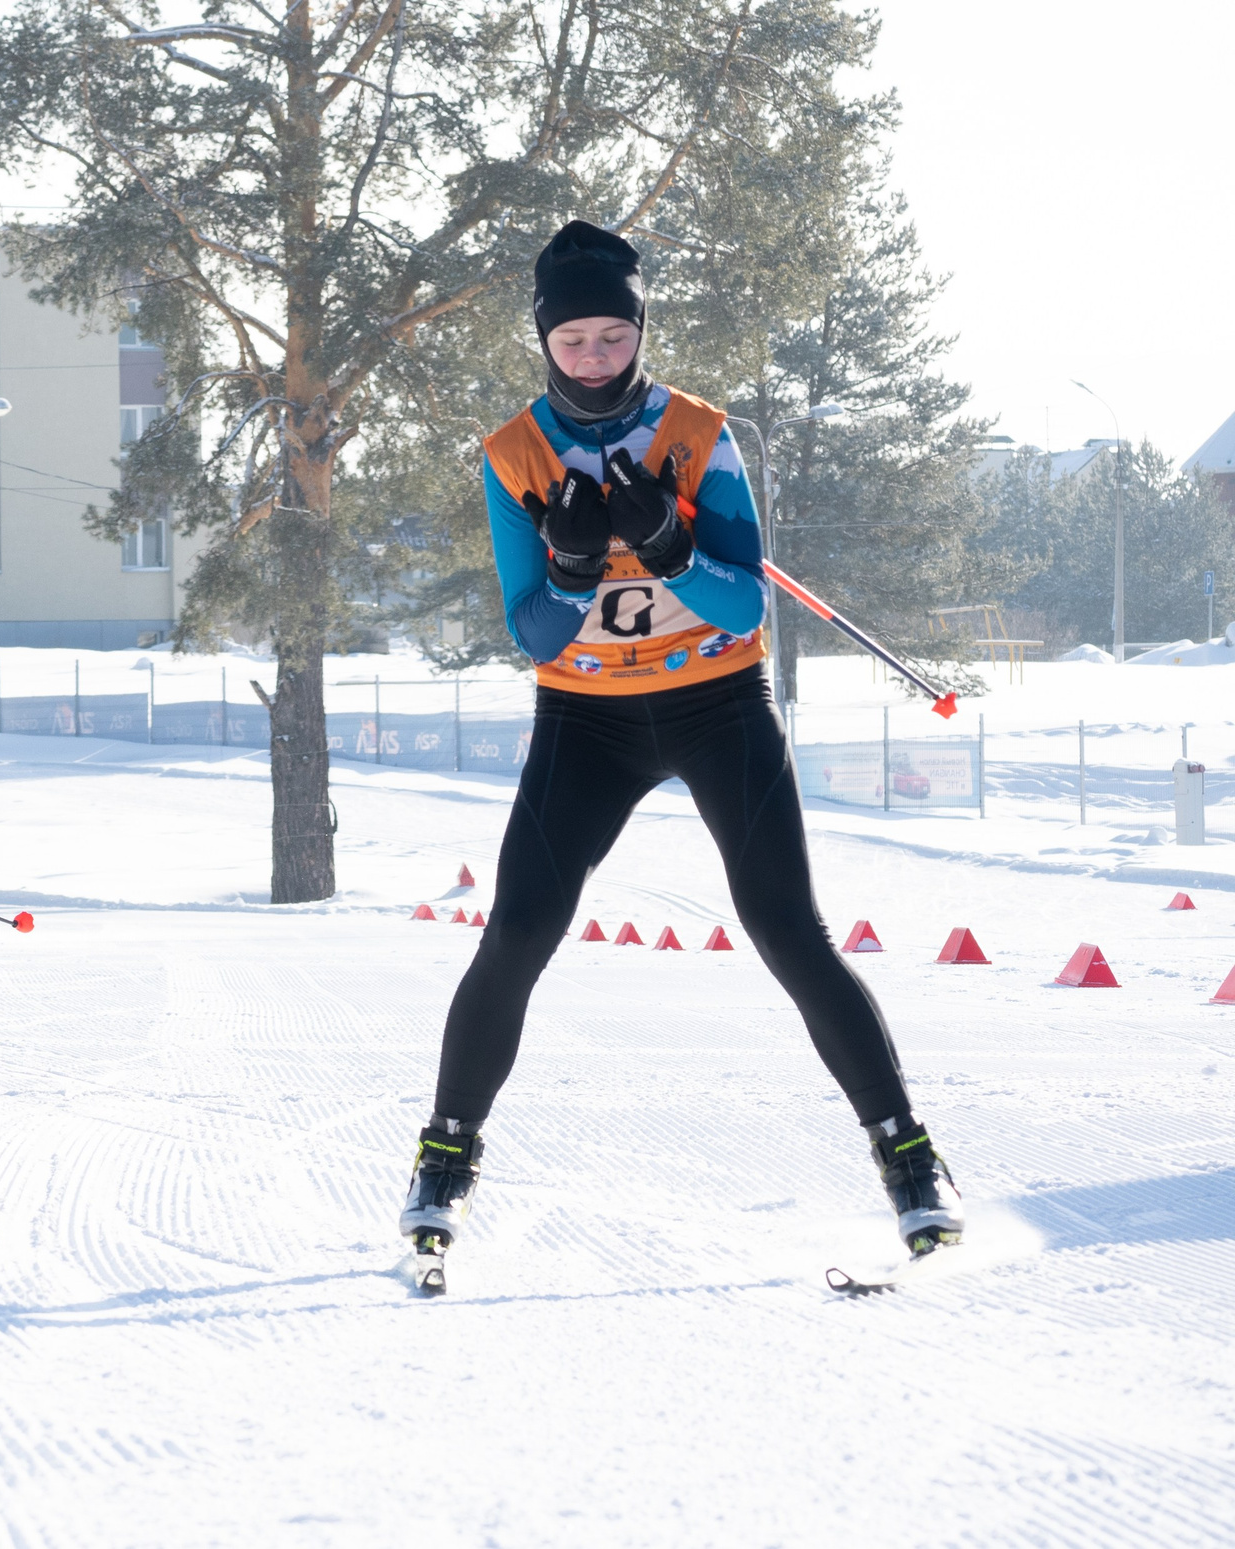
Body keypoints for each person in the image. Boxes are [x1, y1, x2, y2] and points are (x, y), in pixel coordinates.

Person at [400, 221, 963, 1266]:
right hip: (584, 719)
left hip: (716, 706)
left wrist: (668, 546)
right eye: (573, 341)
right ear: (543, 340)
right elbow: (528, 631)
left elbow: (748, 605)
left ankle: (909, 1158)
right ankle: (444, 1156)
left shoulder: (702, 434)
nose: (594, 359)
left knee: (786, 929)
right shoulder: (511, 454)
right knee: (518, 927)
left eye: (613, 336)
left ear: (639, 329)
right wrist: (570, 574)